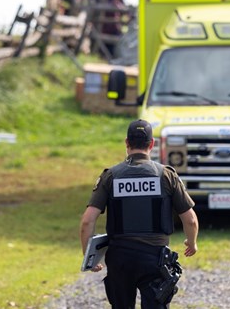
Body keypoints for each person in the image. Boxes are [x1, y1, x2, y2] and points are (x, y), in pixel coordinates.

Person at [80, 119, 199, 309]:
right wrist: (191, 243)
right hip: (155, 260)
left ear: (127, 143)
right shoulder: (166, 175)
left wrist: (90, 259)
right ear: (151, 144)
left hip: (120, 260)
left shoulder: (110, 176)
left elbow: (87, 221)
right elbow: (190, 220)